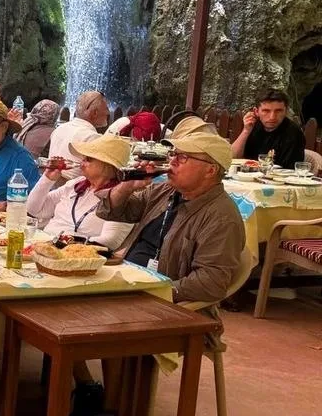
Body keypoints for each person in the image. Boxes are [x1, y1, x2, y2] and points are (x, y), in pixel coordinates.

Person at [97, 130, 244, 308]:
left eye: (183, 157)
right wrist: (128, 186)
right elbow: (111, 211)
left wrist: (152, 291)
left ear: (210, 170)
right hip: (128, 283)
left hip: (162, 306)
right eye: (174, 154)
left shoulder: (221, 218)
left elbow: (210, 283)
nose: (172, 161)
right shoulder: (165, 190)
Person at [27, 134, 133, 249]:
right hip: (47, 245)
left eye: (88, 159)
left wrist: (67, 243)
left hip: (81, 255)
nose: (81, 163)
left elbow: (110, 241)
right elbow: (33, 209)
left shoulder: (121, 196)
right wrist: (47, 179)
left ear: (107, 165)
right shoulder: (77, 184)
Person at [232, 88, 306, 168]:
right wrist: (246, 131)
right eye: (266, 111)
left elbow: (289, 171)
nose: (272, 117)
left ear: (285, 111)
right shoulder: (253, 125)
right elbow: (232, 157)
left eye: (278, 111)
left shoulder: (293, 133)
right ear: (256, 111)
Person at [48, 90, 110, 179]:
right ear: (94, 113)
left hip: (52, 185)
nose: (108, 113)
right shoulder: (92, 137)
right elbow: (101, 174)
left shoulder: (59, 129)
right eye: (106, 109)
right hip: (75, 190)